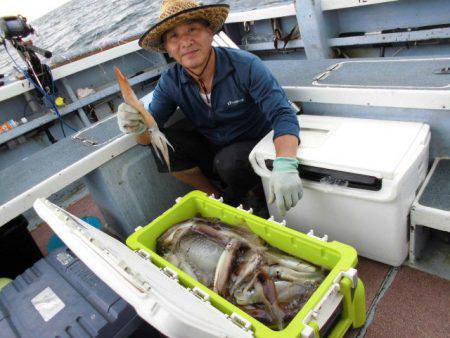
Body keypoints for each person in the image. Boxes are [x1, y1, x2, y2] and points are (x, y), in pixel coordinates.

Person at [117, 0, 303, 216]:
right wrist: (137, 128)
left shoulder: (246, 65)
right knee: (164, 147)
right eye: (173, 36)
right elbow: (149, 137)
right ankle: (220, 202)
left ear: (210, 32)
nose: (185, 42)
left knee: (228, 161)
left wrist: (286, 162)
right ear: (167, 48)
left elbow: (282, 113)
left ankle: (256, 195)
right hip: (215, 150)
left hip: (255, 147)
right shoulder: (170, 82)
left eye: (192, 30)